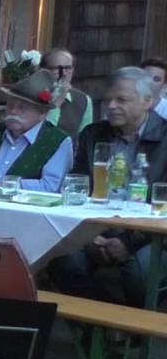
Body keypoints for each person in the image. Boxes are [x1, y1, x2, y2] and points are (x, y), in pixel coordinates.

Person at [47, 67, 167, 306]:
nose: (110, 106)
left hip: (151, 236)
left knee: (141, 274)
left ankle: (132, 335)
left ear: (147, 102)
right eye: (107, 99)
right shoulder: (93, 134)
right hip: (96, 229)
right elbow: (78, 187)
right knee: (59, 258)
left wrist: (126, 242)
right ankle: (101, 329)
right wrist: (92, 236)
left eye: (121, 100)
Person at [0, 68, 74, 192]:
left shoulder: (57, 141)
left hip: (21, 208)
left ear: (42, 113)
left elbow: (50, 186)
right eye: (10, 105)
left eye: (22, 107)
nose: (14, 111)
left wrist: (9, 186)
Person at [41, 48, 94, 141]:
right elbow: (41, 133)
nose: (63, 74)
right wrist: (56, 102)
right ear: (43, 70)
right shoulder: (32, 96)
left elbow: (84, 139)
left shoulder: (83, 100)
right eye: (56, 68)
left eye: (68, 68)